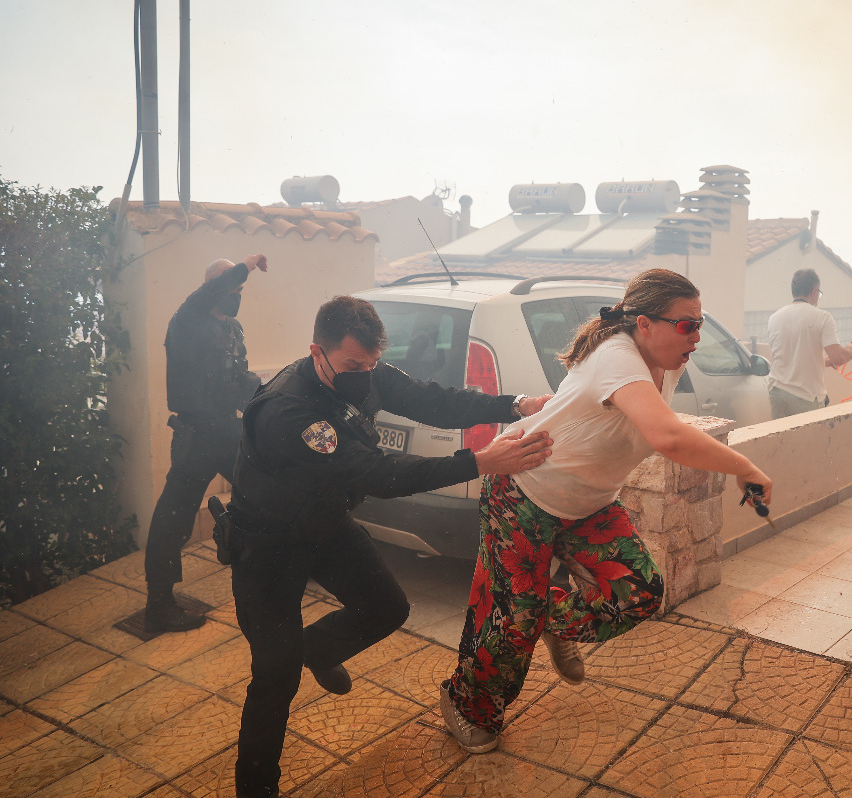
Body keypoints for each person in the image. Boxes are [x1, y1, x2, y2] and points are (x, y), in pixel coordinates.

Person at [228, 295, 553, 798]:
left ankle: (316, 649)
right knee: (274, 678)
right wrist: (480, 462)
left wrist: (516, 406)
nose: (365, 375)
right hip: (267, 545)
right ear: (317, 352)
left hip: (323, 522)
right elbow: (377, 474)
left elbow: (434, 401)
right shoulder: (288, 411)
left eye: (372, 364)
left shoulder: (364, 371)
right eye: (353, 366)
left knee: (386, 607)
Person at [440, 268, 773, 754]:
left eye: (700, 324)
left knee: (638, 592)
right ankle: (466, 705)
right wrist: (744, 466)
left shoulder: (666, 360)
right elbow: (667, 435)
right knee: (512, 622)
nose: (696, 337)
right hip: (523, 491)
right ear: (645, 323)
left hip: (589, 504)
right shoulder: (617, 355)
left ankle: (546, 617)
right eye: (686, 325)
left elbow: (652, 424)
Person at [144, 253, 268, 633]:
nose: (235, 294)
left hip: (228, 431)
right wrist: (247, 264)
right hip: (196, 436)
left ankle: (256, 560)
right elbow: (212, 290)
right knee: (173, 519)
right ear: (212, 287)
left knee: (266, 495)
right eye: (231, 287)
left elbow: (239, 378)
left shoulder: (232, 328)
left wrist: (268, 402)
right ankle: (159, 606)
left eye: (240, 289)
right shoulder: (187, 320)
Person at [764, 268, 852, 419]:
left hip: (777, 392)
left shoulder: (774, 317)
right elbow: (838, 357)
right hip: (806, 396)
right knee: (809, 435)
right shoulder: (822, 317)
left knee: (781, 435)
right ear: (814, 292)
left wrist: (824, 362)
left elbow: (790, 357)